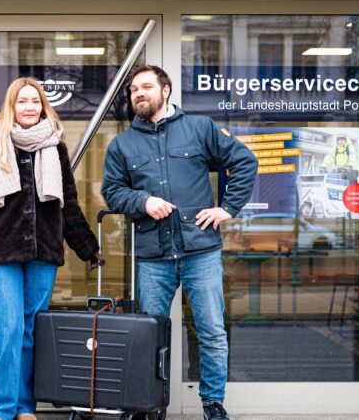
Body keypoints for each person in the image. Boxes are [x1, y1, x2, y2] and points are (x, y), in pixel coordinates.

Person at [101, 65, 257, 420]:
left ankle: (213, 404)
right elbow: (112, 192)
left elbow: (245, 162)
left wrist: (227, 208)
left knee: (211, 331)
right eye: (133, 90)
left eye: (145, 87)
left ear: (165, 90)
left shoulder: (199, 128)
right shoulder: (122, 145)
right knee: (148, 336)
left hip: (199, 249)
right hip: (152, 255)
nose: (138, 94)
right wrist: (142, 202)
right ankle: (149, 403)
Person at [0, 77, 105, 420]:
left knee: (28, 331)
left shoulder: (54, 146)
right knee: (9, 329)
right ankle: (0, 409)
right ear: (11, 106)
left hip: (43, 253)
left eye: (35, 101)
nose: (29, 107)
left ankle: (24, 406)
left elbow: (67, 203)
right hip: (1, 253)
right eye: (22, 101)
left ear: (43, 106)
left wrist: (87, 247)